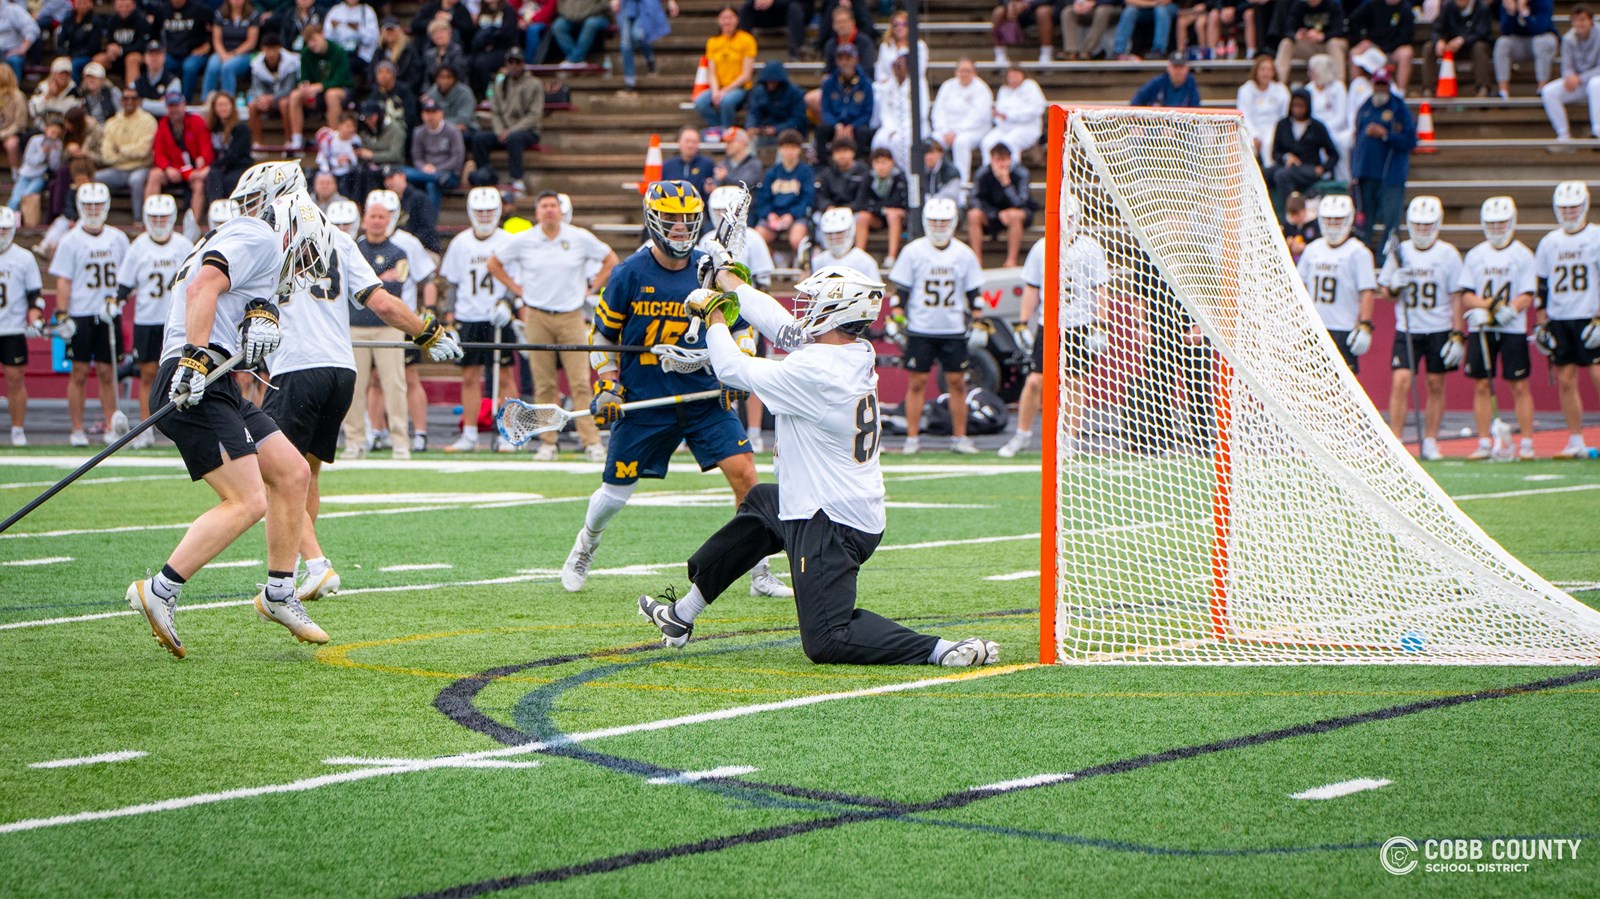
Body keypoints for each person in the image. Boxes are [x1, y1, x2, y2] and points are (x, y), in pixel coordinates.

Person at [641, 261, 1000, 666]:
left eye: (814, 302)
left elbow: (730, 369)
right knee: (762, 505)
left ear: (837, 311)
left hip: (832, 520)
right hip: (833, 502)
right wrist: (729, 280)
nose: (804, 308)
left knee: (827, 639)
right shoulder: (849, 350)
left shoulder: (819, 370)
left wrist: (714, 318)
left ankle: (940, 650)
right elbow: (778, 325)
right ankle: (681, 614)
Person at [125, 190, 339, 658]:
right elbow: (202, 287)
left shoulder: (256, 249)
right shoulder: (258, 233)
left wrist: (259, 316)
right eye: (303, 249)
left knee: (292, 472)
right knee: (246, 499)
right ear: (288, 228)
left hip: (220, 378)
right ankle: (160, 589)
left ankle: (279, 592)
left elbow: (229, 298)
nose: (302, 264)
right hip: (198, 375)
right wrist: (196, 356)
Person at [560, 179, 792, 599]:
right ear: (653, 221)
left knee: (746, 476)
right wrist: (609, 384)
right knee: (615, 494)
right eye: (672, 222)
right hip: (646, 399)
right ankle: (585, 545)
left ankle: (760, 571)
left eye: (688, 223)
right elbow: (604, 338)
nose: (681, 231)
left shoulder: (709, 269)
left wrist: (735, 373)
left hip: (705, 395)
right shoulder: (629, 274)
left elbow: (741, 330)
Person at [266, 199, 462, 599]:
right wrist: (429, 333)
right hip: (340, 370)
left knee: (275, 476)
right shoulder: (340, 240)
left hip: (296, 367)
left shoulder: (270, 241)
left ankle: (311, 565)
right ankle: (304, 562)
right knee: (306, 473)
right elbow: (383, 302)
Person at [486, 191, 619, 461]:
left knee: (581, 381)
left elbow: (611, 259)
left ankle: (591, 441)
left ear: (561, 210)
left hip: (572, 315)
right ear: (537, 212)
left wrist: (592, 288)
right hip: (536, 314)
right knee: (543, 382)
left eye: (553, 206)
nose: (549, 211)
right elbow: (494, 262)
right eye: (544, 206)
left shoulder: (578, 237)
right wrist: (516, 289)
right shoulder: (525, 240)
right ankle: (548, 442)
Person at [1000, 195, 1109, 457]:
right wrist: (1024, 325)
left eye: (1070, 217)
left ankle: (1069, 440)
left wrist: (1100, 325)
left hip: (1079, 323)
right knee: (1035, 381)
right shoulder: (1042, 247)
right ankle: (1022, 435)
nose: (1067, 222)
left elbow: (1100, 290)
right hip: (1048, 325)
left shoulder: (1091, 248)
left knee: (1075, 383)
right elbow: (1032, 289)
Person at [888, 198, 985, 455]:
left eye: (944, 222)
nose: (939, 227)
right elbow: (901, 293)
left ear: (953, 223)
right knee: (917, 381)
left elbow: (975, 294)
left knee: (957, 382)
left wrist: (977, 323)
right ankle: (912, 438)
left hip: (953, 327)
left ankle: (960, 437)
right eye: (934, 222)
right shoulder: (913, 251)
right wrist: (897, 320)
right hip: (922, 327)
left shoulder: (964, 254)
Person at [1379, 195, 1463, 460]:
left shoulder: (1448, 253)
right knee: (1401, 381)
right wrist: (1394, 285)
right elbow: (1386, 291)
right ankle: (1396, 441)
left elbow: (1456, 295)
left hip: (1438, 327)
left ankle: (1430, 440)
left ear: (1437, 224)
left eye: (1427, 225)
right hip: (1408, 328)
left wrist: (1458, 334)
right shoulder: (1400, 251)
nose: (1422, 230)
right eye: (1418, 225)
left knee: (1435, 384)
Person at [49, 183, 131, 447]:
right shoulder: (71, 240)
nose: (93, 210)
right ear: (80, 207)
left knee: (108, 372)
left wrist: (118, 301)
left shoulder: (117, 238)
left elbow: (127, 278)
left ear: (106, 206)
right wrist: (62, 314)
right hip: (81, 313)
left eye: (97, 205)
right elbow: (64, 280)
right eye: (88, 205)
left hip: (108, 314)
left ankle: (110, 425)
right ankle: (76, 428)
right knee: (79, 372)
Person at [1457, 196, 1537, 460]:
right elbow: (1466, 294)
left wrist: (1509, 310)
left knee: (1519, 385)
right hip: (1483, 329)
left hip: (1512, 328)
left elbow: (1527, 294)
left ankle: (1526, 444)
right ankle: (1483, 442)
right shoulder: (1476, 254)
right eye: (1492, 224)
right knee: (1481, 385)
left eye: (1502, 223)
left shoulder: (1522, 254)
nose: (1497, 229)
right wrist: (1488, 308)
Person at [439, 186, 517, 452]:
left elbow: (516, 278)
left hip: (498, 317)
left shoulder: (507, 241)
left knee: (505, 376)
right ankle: (470, 434)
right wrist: (449, 318)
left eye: (490, 211)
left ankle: (510, 432)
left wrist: (508, 303)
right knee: (470, 375)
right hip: (469, 316)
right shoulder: (461, 242)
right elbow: (451, 282)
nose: (484, 216)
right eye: (480, 211)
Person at [359, 188, 437, 453]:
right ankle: (374, 432)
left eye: (386, 215)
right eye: (375, 215)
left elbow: (421, 279)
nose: (380, 220)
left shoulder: (407, 244)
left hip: (398, 320)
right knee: (369, 382)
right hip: (364, 320)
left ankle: (415, 434)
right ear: (365, 217)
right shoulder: (356, 245)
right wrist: (384, 278)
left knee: (404, 379)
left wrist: (427, 310)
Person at [117, 195, 194, 450]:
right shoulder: (138, 246)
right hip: (147, 319)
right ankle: (144, 428)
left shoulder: (183, 245)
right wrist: (114, 301)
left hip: (176, 319)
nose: (159, 222)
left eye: (163, 217)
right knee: (147, 374)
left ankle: (181, 428)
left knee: (179, 372)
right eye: (154, 218)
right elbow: (125, 285)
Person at [1533, 181, 1600, 458]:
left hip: (1589, 316)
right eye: (1564, 208)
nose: (1569, 212)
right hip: (1559, 317)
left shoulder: (1596, 236)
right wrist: (1541, 322)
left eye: (1574, 207)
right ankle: (1575, 438)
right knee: (1566, 380)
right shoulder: (1549, 242)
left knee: (1598, 374)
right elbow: (1543, 284)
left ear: (1584, 206)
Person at [1296, 193, 1377, 372]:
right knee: (1308, 386)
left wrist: (1365, 325)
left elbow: (1367, 292)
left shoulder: (1359, 252)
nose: (1332, 225)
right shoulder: (1312, 249)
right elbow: (1299, 287)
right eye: (1328, 219)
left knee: (1342, 389)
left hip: (1343, 328)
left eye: (1338, 220)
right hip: (1313, 328)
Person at [1351, 69, 1413, 253]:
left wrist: (1386, 135)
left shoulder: (1399, 108)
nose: (1380, 88)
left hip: (1390, 177)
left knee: (1391, 222)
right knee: (1364, 224)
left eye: (1383, 84)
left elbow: (1410, 141)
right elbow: (1357, 143)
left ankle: (1387, 261)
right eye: (1377, 84)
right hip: (1366, 176)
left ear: (1389, 85)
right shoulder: (1365, 107)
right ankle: (1364, 258)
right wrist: (1355, 172)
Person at [470, 47, 542, 193]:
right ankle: (487, 176)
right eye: (510, 62)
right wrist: (499, 131)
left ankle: (517, 180)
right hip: (503, 130)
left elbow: (534, 115)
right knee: (479, 138)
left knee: (514, 138)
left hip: (528, 131)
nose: (514, 65)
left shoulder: (534, 84)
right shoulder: (500, 83)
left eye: (517, 62)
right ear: (506, 64)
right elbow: (495, 111)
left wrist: (510, 131)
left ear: (523, 64)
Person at [0, 207, 43, 446]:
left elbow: (34, 296)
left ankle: (17, 428)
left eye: (4, 229)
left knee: (15, 379)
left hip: (12, 327)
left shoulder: (23, 257)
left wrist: (35, 318)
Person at [1266, 88, 1337, 217]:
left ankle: (1292, 213)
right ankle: (1266, 213)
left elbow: (1333, 154)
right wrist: (1287, 157)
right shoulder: (1283, 125)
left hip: (1309, 168)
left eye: (1301, 106)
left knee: (1282, 175)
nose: (1297, 110)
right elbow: (1275, 153)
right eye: (1294, 106)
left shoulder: (1317, 127)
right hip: (1287, 165)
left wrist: (1323, 169)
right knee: (1266, 173)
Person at [146, 90, 213, 223]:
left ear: (183, 105)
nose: (174, 109)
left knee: (199, 185)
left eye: (176, 105)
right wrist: (167, 168)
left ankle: (193, 223)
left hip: (193, 171)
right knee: (154, 175)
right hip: (174, 169)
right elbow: (158, 153)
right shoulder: (163, 124)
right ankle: (149, 217)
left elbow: (207, 149)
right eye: (171, 106)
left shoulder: (196, 121)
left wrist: (202, 164)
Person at [1539, 6, 1600, 150]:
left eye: (1583, 20)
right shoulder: (1568, 39)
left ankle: (1598, 132)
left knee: (1595, 83)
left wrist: (1580, 78)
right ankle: (1564, 137)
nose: (1579, 24)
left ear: (1591, 21)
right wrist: (1569, 77)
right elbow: (1566, 66)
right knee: (1548, 91)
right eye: (1575, 20)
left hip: (1596, 82)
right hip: (1579, 84)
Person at [967, 142, 1033, 267]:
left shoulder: (1021, 173)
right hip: (991, 215)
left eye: (1005, 159)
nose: (1002, 164)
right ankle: (977, 261)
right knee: (973, 215)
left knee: (1014, 215)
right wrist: (995, 213)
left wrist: (1006, 184)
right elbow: (975, 200)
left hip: (1016, 215)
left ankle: (1011, 261)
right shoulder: (983, 174)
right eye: (998, 160)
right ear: (992, 160)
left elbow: (1022, 202)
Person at [752, 128, 813, 261]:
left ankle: (802, 267)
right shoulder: (771, 173)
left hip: (796, 216)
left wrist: (791, 215)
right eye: (785, 147)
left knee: (797, 239)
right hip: (773, 217)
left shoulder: (805, 172)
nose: (789, 151)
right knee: (756, 237)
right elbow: (763, 198)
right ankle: (772, 261)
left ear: (799, 149)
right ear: (779, 149)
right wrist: (770, 215)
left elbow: (807, 199)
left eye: (793, 147)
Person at [931, 58, 993, 184]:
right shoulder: (947, 86)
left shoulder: (981, 89)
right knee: (933, 142)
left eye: (968, 71)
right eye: (961, 70)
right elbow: (938, 111)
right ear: (956, 72)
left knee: (961, 142)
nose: (964, 74)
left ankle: (961, 187)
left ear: (974, 73)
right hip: (946, 130)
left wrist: (956, 132)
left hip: (974, 130)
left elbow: (978, 116)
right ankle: (934, 183)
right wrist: (944, 130)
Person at [697, 6, 756, 135]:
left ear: (737, 20)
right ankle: (719, 130)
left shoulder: (746, 40)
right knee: (700, 102)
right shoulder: (713, 42)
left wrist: (725, 91)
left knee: (726, 102)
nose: (727, 22)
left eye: (730, 18)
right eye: (724, 18)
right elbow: (711, 72)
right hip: (719, 87)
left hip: (739, 88)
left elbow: (746, 75)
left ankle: (727, 131)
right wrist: (715, 91)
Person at [95, 87, 155, 213]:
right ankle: (98, 219)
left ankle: (138, 221)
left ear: (138, 101)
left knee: (136, 181)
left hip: (141, 167)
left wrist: (120, 150)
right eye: (126, 98)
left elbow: (143, 151)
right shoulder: (112, 122)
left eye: (133, 98)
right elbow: (106, 155)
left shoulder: (148, 121)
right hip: (118, 169)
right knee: (94, 178)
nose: (129, 101)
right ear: (121, 101)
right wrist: (129, 153)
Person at [1424, 0, 1495, 98]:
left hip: (1471, 46)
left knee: (1480, 48)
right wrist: (1439, 41)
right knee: (1429, 47)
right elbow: (1436, 28)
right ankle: (1429, 90)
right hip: (1450, 47)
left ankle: (1483, 88)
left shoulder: (1482, 8)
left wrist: (1463, 40)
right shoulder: (1447, 6)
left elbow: (1482, 32)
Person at [816, 43, 872, 158]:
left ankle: (858, 163)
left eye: (848, 58)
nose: (844, 62)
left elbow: (867, 113)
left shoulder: (866, 84)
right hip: (835, 124)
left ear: (856, 59)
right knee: (822, 129)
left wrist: (852, 126)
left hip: (856, 125)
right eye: (840, 58)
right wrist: (837, 125)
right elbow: (825, 110)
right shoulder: (829, 83)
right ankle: (823, 165)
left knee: (864, 132)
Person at [406, 95, 463, 206]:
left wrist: (436, 169)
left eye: (434, 112)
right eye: (427, 112)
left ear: (441, 113)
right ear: (422, 115)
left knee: (430, 183)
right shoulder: (418, 132)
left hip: (449, 174)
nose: (430, 116)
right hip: (425, 171)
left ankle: (430, 220)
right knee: (407, 175)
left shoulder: (452, 131)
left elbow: (457, 159)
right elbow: (417, 157)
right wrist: (424, 167)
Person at [248, 31, 301, 149]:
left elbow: (289, 87)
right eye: (268, 49)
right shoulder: (257, 64)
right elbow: (256, 86)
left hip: (282, 98)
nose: (271, 53)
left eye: (274, 49)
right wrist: (262, 98)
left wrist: (272, 98)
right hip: (266, 99)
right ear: (263, 49)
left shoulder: (291, 62)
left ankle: (289, 141)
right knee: (252, 106)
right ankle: (257, 143)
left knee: (284, 103)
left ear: (279, 48)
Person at [1348, 0, 1414, 94]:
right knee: (1354, 53)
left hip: (1394, 49)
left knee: (1407, 53)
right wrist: (1360, 40)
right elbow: (1353, 21)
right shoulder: (1372, 4)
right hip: (1373, 47)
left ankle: (1400, 93)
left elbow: (1406, 37)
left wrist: (1385, 49)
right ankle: (1357, 92)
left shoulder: (1405, 8)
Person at [856, 146, 907, 267]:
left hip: (897, 217)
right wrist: (882, 209)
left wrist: (880, 208)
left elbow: (899, 202)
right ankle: (858, 256)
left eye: (884, 162)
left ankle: (891, 257)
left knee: (893, 215)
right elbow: (860, 203)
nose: (880, 166)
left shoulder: (900, 177)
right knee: (862, 217)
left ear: (891, 162)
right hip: (877, 217)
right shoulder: (868, 178)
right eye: (877, 162)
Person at [982, 63, 1045, 161]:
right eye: (1010, 76)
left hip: (1027, 128)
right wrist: (997, 116)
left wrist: (1009, 116)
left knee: (1008, 142)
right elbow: (999, 110)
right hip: (1004, 128)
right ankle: (990, 173)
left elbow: (1036, 109)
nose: (1013, 79)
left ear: (1023, 75)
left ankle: (1012, 172)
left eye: (1016, 76)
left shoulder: (1030, 87)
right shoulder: (1003, 90)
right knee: (987, 142)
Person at [1495, 0, 1557, 98]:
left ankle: (1542, 89)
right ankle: (1503, 92)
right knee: (1502, 43)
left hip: (1544, 38)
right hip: (1520, 42)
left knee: (1540, 42)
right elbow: (1505, 31)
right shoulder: (1508, 2)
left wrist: (1524, 12)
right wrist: (1511, 13)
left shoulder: (1544, 2)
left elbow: (1539, 29)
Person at [1275, 0, 1347, 84]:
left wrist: (1322, 36)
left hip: (1328, 45)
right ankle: (1278, 83)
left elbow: (1340, 30)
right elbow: (1288, 30)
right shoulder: (1299, 5)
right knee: (1286, 43)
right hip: (1308, 45)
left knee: (1334, 43)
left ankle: (1339, 84)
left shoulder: (1333, 5)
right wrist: (1297, 35)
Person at [296, 22, 352, 128]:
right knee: (295, 96)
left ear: (322, 34)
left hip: (341, 89)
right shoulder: (306, 54)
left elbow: (340, 80)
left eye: (314, 40)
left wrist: (321, 86)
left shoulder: (338, 51)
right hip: (316, 93)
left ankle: (335, 136)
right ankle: (295, 139)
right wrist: (304, 85)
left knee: (331, 95)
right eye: (308, 42)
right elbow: (304, 77)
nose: (312, 44)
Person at [1238, 52, 1289, 166]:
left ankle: (1269, 174)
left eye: (1269, 70)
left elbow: (1284, 115)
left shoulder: (1281, 90)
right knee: (1248, 144)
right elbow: (1244, 115)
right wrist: (1255, 135)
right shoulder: (1246, 89)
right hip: (1251, 127)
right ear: (1256, 71)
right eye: (1263, 69)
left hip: (1274, 127)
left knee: (1269, 143)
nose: (1266, 73)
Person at [157, 0, 214, 102]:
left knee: (189, 67)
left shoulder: (200, 9)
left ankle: (185, 102)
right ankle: (163, 101)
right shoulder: (162, 10)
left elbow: (218, 26)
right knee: (160, 63)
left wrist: (209, 44)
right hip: (171, 53)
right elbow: (154, 33)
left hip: (194, 52)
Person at [614, 0, 675, 93]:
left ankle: (650, 59)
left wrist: (671, 1)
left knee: (638, 35)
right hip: (627, 5)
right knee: (625, 43)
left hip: (646, 4)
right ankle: (629, 82)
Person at [203, 0, 260, 100]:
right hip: (223, 51)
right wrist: (223, 54)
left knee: (227, 67)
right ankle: (206, 101)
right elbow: (216, 40)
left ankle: (228, 101)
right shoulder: (220, 14)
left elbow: (251, 42)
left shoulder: (253, 15)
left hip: (244, 53)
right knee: (212, 65)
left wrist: (233, 54)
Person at [205, 91, 253, 202]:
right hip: (221, 167)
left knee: (227, 181)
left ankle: (227, 212)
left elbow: (234, 154)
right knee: (213, 175)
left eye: (226, 105)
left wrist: (213, 165)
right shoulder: (213, 127)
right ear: (214, 108)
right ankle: (215, 209)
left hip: (239, 167)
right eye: (220, 105)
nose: (223, 108)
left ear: (232, 106)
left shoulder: (241, 128)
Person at [745, 59, 806, 144]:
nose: (770, 85)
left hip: (790, 133)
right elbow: (753, 112)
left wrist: (776, 129)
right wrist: (751, 126)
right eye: (768, 82)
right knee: (750, 141)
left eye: (773, 82)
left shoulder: (795, 93)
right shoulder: (759, 92)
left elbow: (798, 119)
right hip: (765, 132)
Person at [8, 114, 61, 213]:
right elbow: (30, 160)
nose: (53, 135)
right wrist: (42, 152)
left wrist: (53, 153)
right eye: (52, 131)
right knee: (15, 199)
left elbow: (54, 166)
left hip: (40, 177)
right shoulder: (35, 140)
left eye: (57, 133)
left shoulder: (57, 144)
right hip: (25, 174)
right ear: (46, 129)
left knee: (26, 196)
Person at [815, 205, 878, 280]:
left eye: (839, 233)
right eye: (830, 234)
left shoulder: (864, 261)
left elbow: (877, 290)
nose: (834, 238)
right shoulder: (818, 261)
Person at [815, 136, 868, 223]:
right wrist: (828, 206)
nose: (841, 155)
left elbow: (863, 198)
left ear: (853, 152)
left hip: (854, 211)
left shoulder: (863, 172)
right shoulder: (827, 173)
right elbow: (821, 195)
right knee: (817, 218)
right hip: (832, 211)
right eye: (838, 152)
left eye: (845, 151)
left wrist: (847, 209)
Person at [324, 0, 378, 81]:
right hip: (339, 52)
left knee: (346, 63)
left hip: (361, 55)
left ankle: (347, 90)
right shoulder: (335, 11)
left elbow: (373, 39)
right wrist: (334, 29)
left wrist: (358, 30)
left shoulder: (367, 11)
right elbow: (326, 37)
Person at [992, 0, 1058, 65]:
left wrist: (1027, 4)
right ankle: (1000, 56)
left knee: (1043, 12)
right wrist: (1009, 4)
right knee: (998, 12)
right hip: (1016, 7)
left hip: (1041, 5)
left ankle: (1046, 55)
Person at [737, 0, 805, 62]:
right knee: (745, 8)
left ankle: (795, 53)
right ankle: (742, 51)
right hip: (760, 13)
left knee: (795, 8)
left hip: (784, 13)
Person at [103, 0, 149, 86]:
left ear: (134, 5)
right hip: (116, 57)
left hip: (136, 55)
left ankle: (132, 93)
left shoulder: (141, 20)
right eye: (120, 6)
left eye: (127, 6)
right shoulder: (112, 21)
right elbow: (110, 42)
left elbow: (142, 45)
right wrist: (110, 50)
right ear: (115, 6)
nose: (123, 9)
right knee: (98, 59)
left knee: (131, 59)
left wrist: (121, 50)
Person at [552, 0, 611, 66]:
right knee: (558, 25)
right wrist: (572, 15)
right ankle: (578, 61)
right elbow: (560, 6)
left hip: (597, 16)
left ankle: (572, 60)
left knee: (590, 24)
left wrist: (586, 12)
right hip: (571, 18)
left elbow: (604, 6)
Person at [663, 124, 716, 196]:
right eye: (687, 141)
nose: (690, 145)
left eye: (694, 142)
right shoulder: (667, 166)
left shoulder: (708, 165)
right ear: (679, 142)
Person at [134, 39, 183, 117]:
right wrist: (159, 104)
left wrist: (142, 102)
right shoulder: (136, 83)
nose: (154, 58)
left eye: (158, 54)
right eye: (151, 54)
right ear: (145, 58)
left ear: (164, 57)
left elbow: (170, 108)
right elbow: (132, 106)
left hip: (164, 124)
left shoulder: (173, 82)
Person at [1132, 52, 1202, 106]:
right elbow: (1137, 101)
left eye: (1181, 67)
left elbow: (1195, 107)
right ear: (1168, 68)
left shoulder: (1191, 84)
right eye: (1175, 67)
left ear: (1187, 68)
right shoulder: (1158, 82)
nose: (1178, 71)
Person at [424, 64, 477, 133]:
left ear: (455, 79)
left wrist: (438, 122)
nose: (445, 81)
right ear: (436, 79)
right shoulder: (432, 93)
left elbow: (464, 119)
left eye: (448, 77)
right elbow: (429, 117)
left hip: (466, 129)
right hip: (438, 129)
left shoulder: (465, 92)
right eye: (441, 77)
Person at [0, 1, 38, 82]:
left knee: (14, 61)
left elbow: (32, 28)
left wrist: (23, 49)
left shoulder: (13, 10)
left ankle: (13, 92)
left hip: (10, 52)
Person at [0, 65, 25, 174]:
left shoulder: (17, 96)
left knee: (12, 144)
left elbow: (20, 123)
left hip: (11, 131)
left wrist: (3, 134)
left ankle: (16, 173)